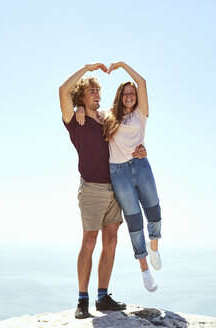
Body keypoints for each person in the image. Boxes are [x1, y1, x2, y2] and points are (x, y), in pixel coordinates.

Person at [59, 63, 147, 319]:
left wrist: (142, 149)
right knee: (89, 241)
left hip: (116, 187)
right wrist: (87, 69)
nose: (98, 94)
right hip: (92, 189)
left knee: (111, 241)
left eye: (98, 90)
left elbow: (129, 137)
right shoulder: (74, 120)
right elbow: (63, 89)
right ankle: (82, 300)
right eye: (92, 91)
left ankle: (103, 296)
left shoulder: (107, 117)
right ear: (81, 97)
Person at [77, 61, 162, 293]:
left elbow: (142, 82)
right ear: (119, 96)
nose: (129, 96)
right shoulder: (108, 115)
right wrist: (80, 109)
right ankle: (145, 270)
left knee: (153, 209)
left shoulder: (141, 114)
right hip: (118, 172)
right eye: (125, 93)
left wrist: (123, 66)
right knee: (134, 220)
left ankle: (154, 246)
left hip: (140, 165)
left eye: (132, 93)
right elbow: (90, 111)